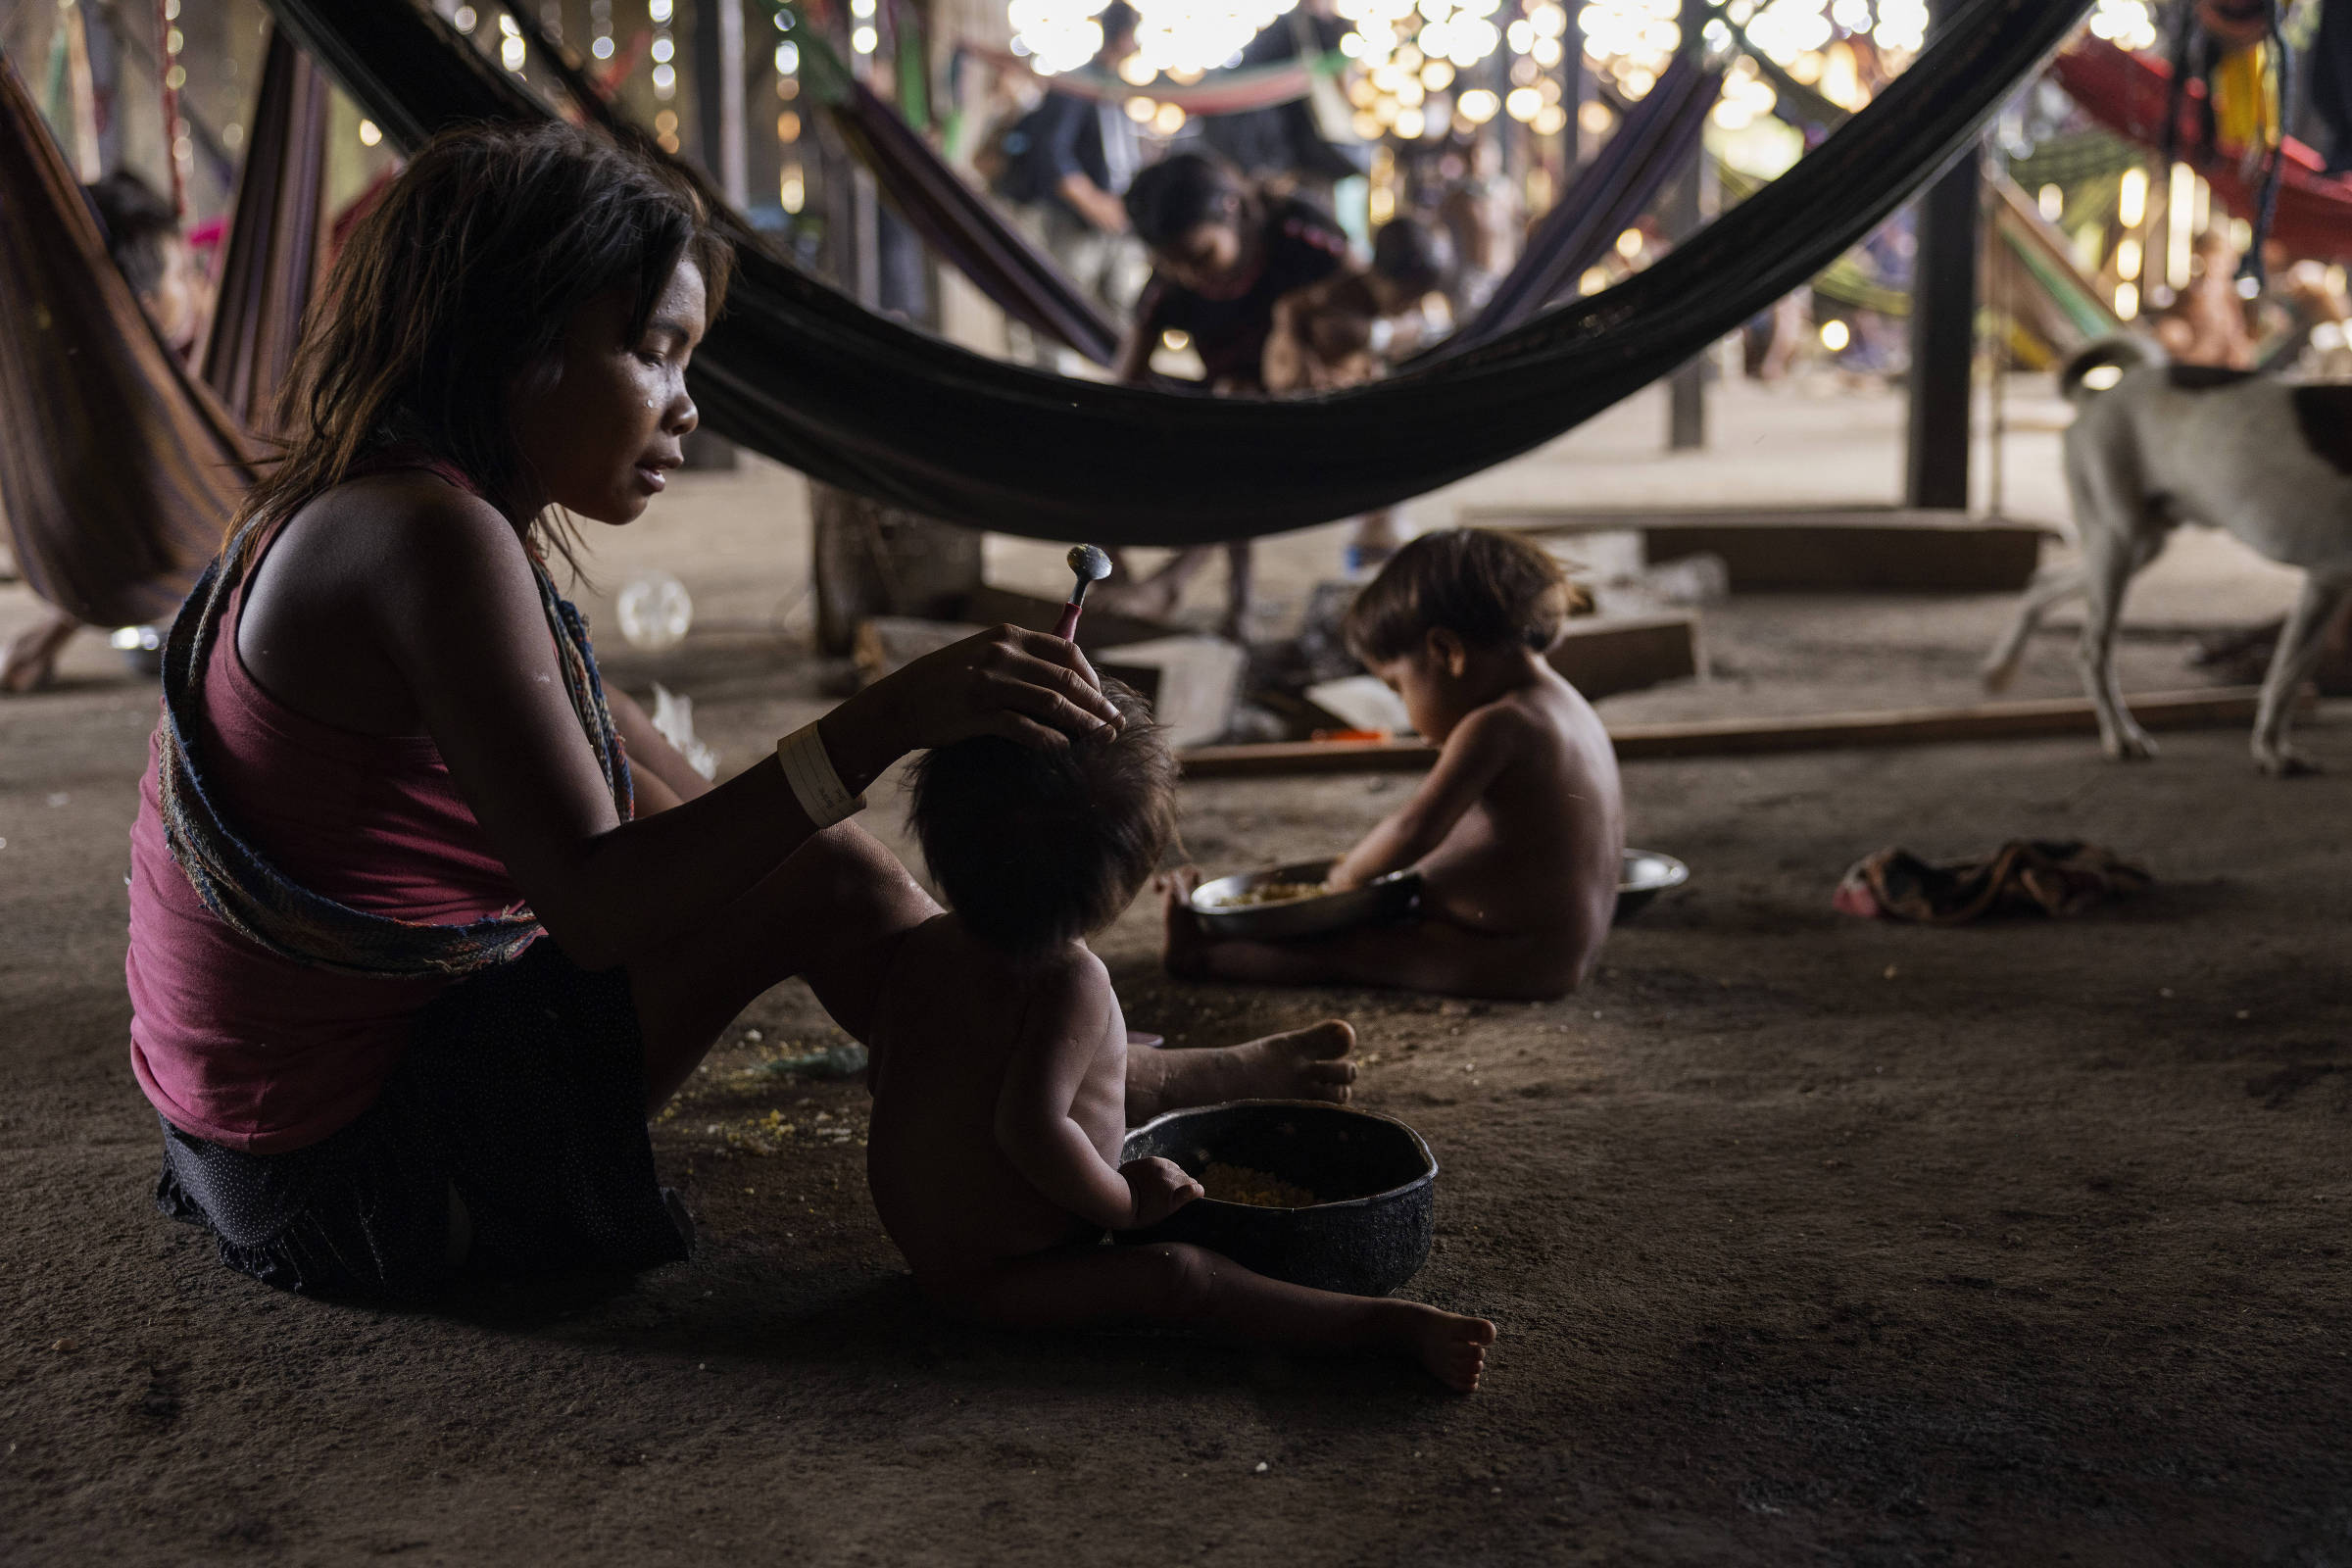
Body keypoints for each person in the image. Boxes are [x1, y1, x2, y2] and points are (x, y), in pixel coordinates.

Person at [127, 122, 1354, 1301]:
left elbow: (655, 785)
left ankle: (1062, 1057)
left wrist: (844, 792)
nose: (685, 402)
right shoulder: (430, 539)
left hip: (262, 1142)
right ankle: (1046, 1075)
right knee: (811, 872)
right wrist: (882, 723)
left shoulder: (383, 506)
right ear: (516, 337)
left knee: (789, 850)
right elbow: (601, 909)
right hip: (355, 1179)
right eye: (652, 350)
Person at [869, 679, 1494, 1392]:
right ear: (1123, 882)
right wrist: (1123, 1203)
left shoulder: (920, 947)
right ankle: (1383, 1327)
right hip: (1000, 1277)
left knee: (1102, 1073)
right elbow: (1028, 1130)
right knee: (1188, 1278)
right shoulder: (1067, 980)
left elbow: (888, 1072)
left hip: (930, 1242)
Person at [1164, 529, 1623, 1001]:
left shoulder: (1500, 724)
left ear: (1446, 653)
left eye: (1396, 687)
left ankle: (1204, 958)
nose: (1404, 707)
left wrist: (1341, 882)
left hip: (1513, 957)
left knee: (1349, 952)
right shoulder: (1562, 703)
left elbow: (1413, 829)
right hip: (1543, 950)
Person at [1097, 153, 1351, 638]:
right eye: (1172, 265)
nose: (1191, 275)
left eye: (1200, 257)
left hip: (1321, 397)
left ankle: (1181, 583)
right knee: (1221, 420)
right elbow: (1123, 383)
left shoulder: (1298, 234)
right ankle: (1219, 599)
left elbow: (1368, 305)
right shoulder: (1171, 280)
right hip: (1229, 406)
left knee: (1240, 422)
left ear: (1232, 210)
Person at [2, 170, 205, 695]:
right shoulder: (151, 409)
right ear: (139, 300)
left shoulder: (54, 381)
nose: (195, 289)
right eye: (181, 273)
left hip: (76, 558)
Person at [1261, 217, 1452, 575]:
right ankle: (1374, 554)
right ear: (1390, 280)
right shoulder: (1343, 315)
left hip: (1342, 411)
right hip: (1311, 413)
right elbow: (1299, 316)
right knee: (1383, 476)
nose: (1411, 307)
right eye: (1410, 297)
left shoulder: (1359, 303)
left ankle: (1376, 551)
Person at [1005, 0, 1145, 318]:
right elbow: (1051, 152)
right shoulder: (1078, 83)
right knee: (1062, 306)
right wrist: (1092, 201)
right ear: (1124, 36)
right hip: (1074, 222)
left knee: (1118, 312)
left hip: (1116, 222)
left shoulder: (1116, 91)